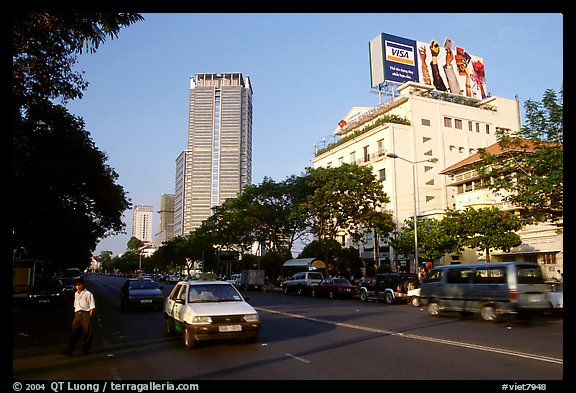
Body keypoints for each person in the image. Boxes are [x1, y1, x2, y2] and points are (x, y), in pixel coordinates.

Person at [61, 277, 95, 356]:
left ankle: (86, 350)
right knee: (74, 333)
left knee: (87, 334)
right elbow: (75, 305)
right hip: (77, 314)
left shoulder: (89, 294)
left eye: (79, 285)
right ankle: (69, 350)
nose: (77, 287)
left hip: (85, 314)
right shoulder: (76, 294)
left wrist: (89, 317)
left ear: (83, 285)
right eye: (76, 285)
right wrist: (76, 314)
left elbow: (92, 308)